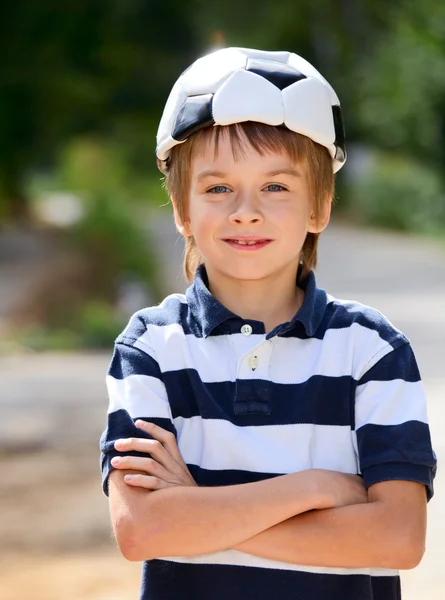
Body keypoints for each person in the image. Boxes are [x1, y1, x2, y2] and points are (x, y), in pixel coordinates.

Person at [100, 47, 437, 600]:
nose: (245, 210)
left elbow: (398, 538)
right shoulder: (151, 348)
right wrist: (316, 488)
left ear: (319, 208)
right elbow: (144, 528)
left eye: (276, 186)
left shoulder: (372, 351)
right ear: (182, 210)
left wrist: (201, 510)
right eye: (216, 187)